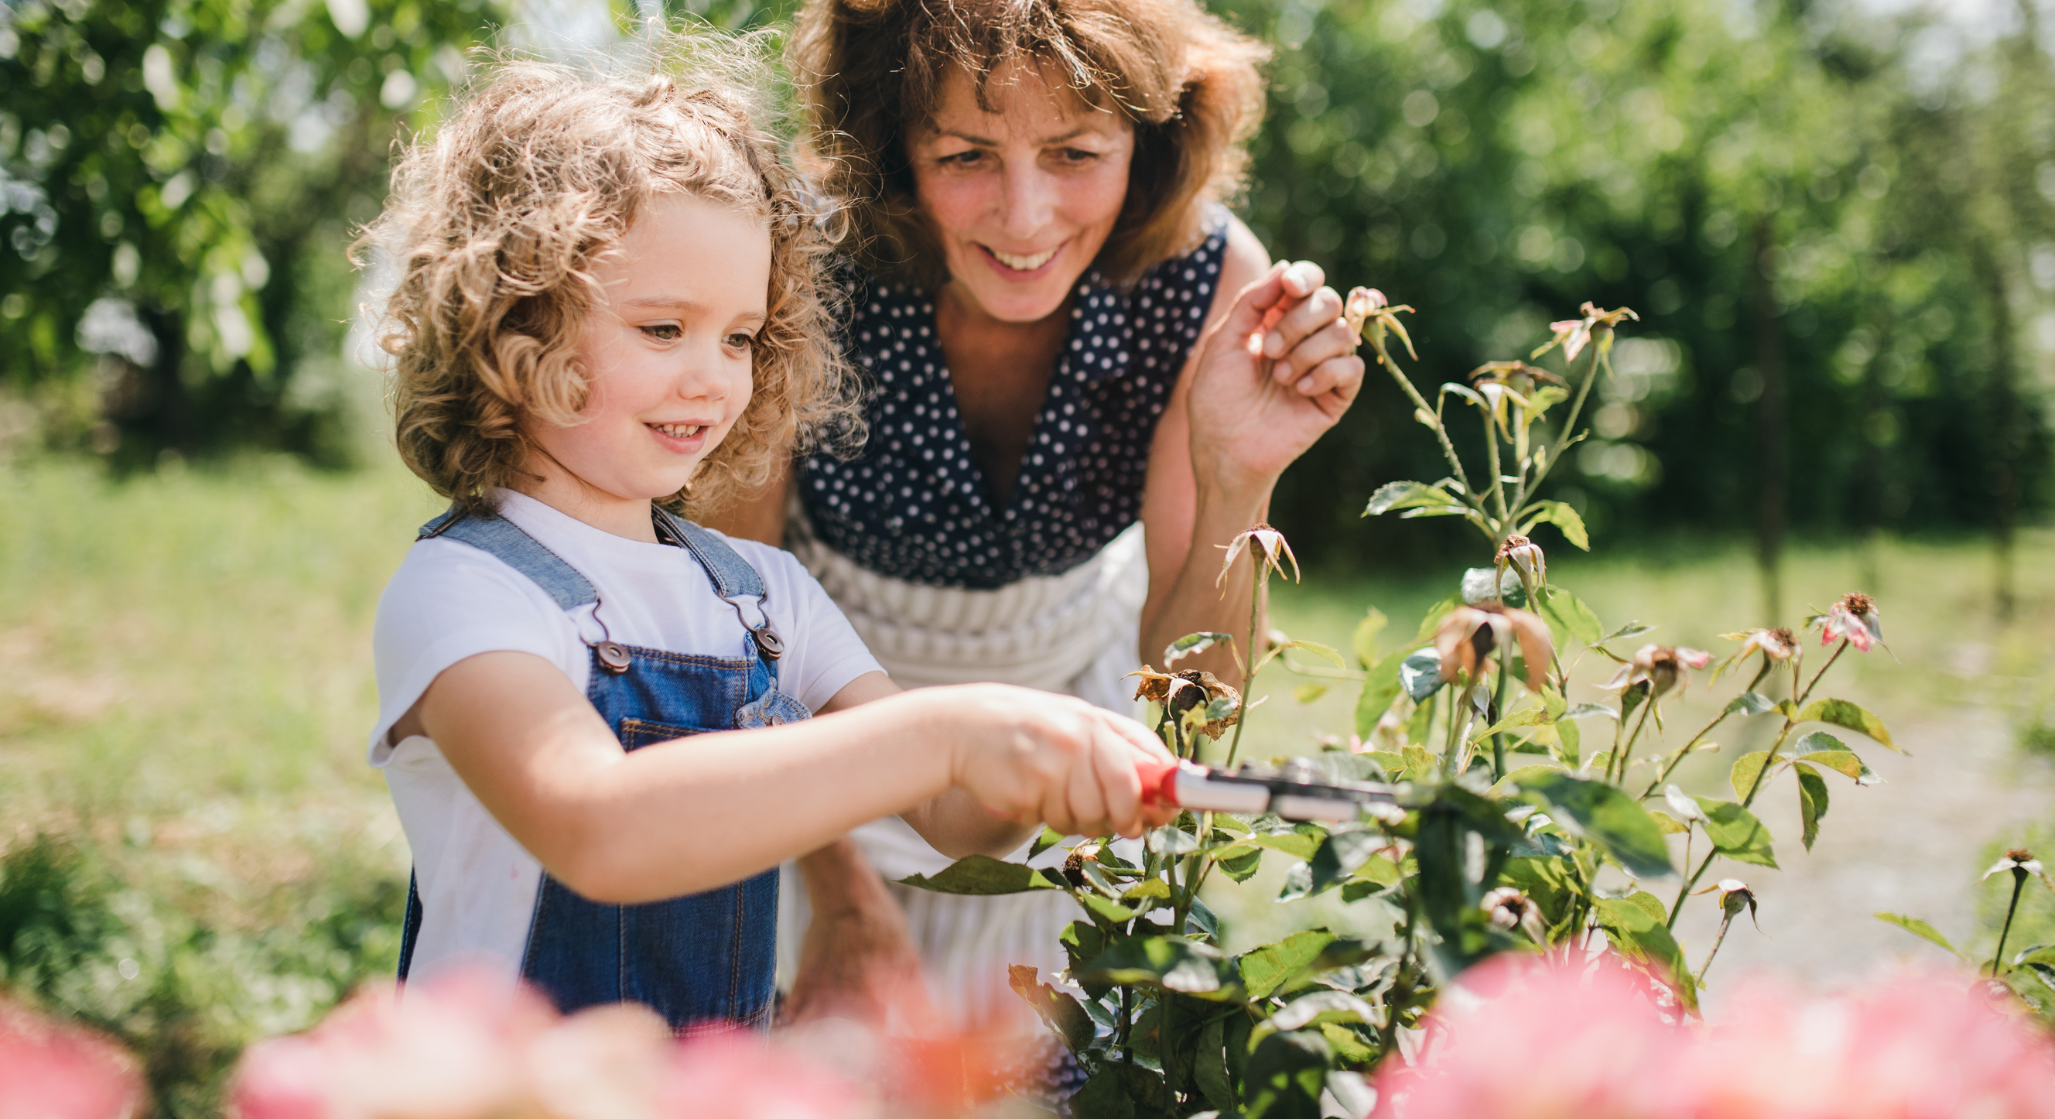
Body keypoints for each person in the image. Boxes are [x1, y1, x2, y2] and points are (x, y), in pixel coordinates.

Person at [357, 47, 1175, 1034]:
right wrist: (953, 731)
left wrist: (1043, 766)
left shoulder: (764, 597)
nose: (714, 378)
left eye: (740, 337)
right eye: (665, 328)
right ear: (514, 323)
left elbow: (955, 819)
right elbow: (598, 827)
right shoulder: (466, 591)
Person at [700, 0, 1368, 1024]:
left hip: (1074, 725)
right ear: (888, 144)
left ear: (1149, 144)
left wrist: (1239, 477)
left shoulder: (1204, 282)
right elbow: (741, 617)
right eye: (967, 155)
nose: (1024, 216)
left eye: (1074, 152)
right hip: (818, 735)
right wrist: (838, 894)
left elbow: (1197, 698)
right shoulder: (805, 261)